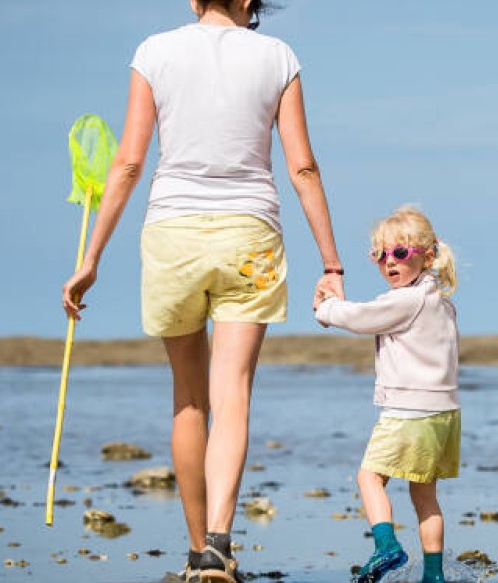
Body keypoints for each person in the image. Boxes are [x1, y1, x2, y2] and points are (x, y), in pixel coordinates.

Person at [61, 1, 346, 581]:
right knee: (233, 393)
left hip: (172, 235)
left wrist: (92, 257)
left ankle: (198, 555)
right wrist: (332, 262)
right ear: (251, 3)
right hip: (251, 235)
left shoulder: (154, 51)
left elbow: (129, 163)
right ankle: (219, 542)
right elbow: (304, 169)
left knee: (190, 401)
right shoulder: (278, 56)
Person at [313, 206, 460, 583]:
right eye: (380, 255)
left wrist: (327, 309)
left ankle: (386, 546)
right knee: (425, 497)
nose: (388, 263)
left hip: (408, 411)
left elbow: (361, 317)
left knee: (369, 478)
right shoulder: (442, 302)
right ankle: (433, 575)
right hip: (443, 415)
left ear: (427, 256)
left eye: (399, 253)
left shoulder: (406, 301)